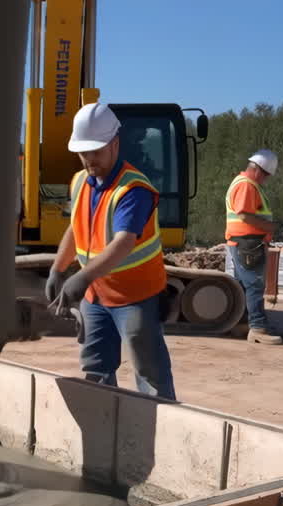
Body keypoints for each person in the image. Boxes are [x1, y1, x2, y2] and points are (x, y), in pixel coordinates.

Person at [46, 103, 176, 400]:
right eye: (83, 152)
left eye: (96, 151)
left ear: (115, 143)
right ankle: (105, 426)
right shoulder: (80, 182)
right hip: (96, 295)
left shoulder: (133, 190)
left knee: (148, 370)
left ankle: (161, 425)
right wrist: (58, 267)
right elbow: (74, 228)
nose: (89, 159)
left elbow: (123, 244)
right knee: (97, 367)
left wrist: (80, 278)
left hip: (135, 296)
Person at [226, 149, 283, 344]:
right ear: (259, 170)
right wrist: (272, 227)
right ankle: (257, 328)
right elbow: (244, 214)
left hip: (243, 242)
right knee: (254, 285)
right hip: (247, 243)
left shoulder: (242, 183)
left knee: (243, 285)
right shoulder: (247, 185)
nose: (266, 179)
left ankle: (241, 323)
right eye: (266, 175)